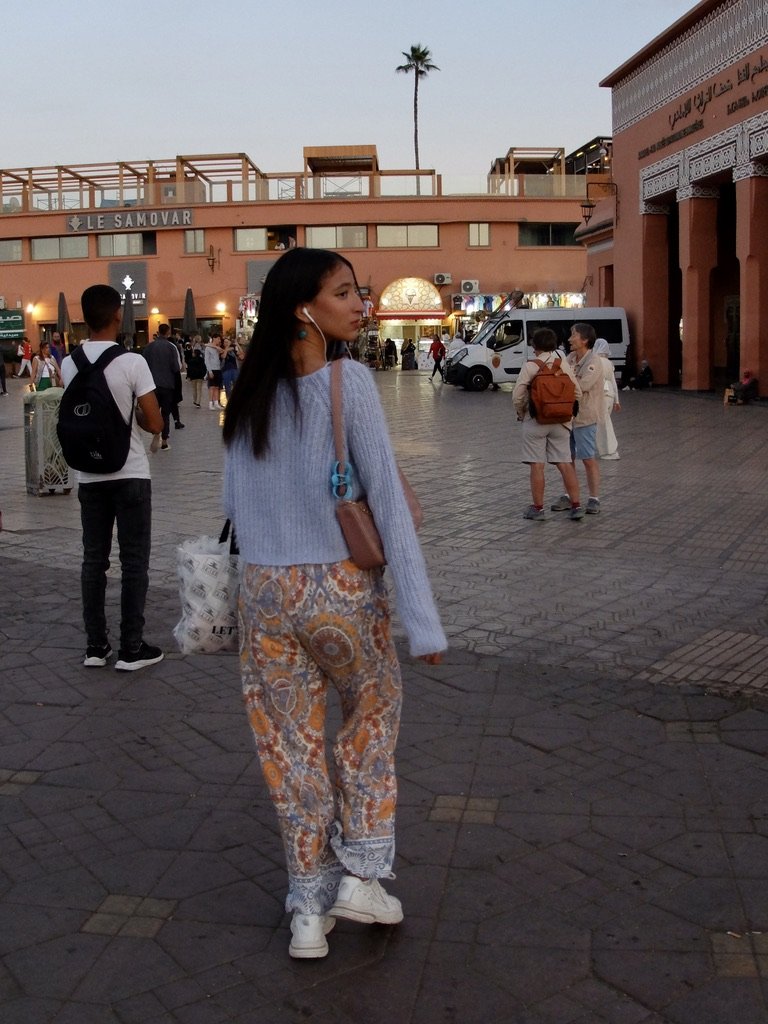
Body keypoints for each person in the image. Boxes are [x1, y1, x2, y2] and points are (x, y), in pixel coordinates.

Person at [222, 247, 446, 960]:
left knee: (289, 749)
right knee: (371, 723)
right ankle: (361, 878)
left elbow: (233, 504)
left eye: (359, 291)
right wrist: (422, 620)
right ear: (303, 308)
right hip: (338, 589)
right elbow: (388, 504)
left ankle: (307, 909)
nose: (360, 303)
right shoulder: (349, 381)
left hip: (264, 592)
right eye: (344, 292)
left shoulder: (246, 393)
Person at [60, 284, 164, 671]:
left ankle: (95, 646)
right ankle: (131, 649)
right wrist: (136, 416)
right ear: (118, 315)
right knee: (134, 562)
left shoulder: (69, 363)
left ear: (84, 318)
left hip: (89, 475)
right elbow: (154, 422)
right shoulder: (132, 362)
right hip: (130, 472)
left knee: (93, 561)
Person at [513, 328, 584, 521]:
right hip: (561, 421)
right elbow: (577, 392)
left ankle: (538, 509)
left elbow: (517, 396)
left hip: (536, 420)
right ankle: (576, 505)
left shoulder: (530, 366)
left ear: (534, 345)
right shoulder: (563, 365)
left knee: (537, 465)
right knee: (565, 463)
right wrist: (567, 411)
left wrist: (522, 413)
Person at [551, 323, 604, 516]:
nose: (569, 339)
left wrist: (563, 382)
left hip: (585, 418)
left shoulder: (594, 361)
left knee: (587, 458)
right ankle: (569, 496)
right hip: (567, 417)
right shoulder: (570, 358)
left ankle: (594, 498)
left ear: (585, 340)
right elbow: (557, 378)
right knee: (567, 458)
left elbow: (582, 386)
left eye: (574, 335)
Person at [142, 323, 182, 451]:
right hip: (167, 385)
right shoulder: (171, 347)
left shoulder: (149, 347)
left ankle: (156, 432)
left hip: (151, 385)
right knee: (165, 413)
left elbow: (143, 364)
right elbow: (176, 367)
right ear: (168, 332)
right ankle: (164, 441)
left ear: (158, 332)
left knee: (154, 411)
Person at [593, 338, 620, 460]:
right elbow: (613, 382)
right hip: (610, 394)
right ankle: (606, 449)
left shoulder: (595, 361)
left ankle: (609, 450)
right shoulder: (609, 363)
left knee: (603, 424)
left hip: (601, 394)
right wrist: (617, 401)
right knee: (605, 422)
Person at [204, 333, 223, 409]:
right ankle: (210, 403)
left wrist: (215, 346)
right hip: (212, 369)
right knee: (211, 387)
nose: (219, 340)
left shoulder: (218, 347)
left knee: (217, 387)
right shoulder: (208, 348)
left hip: (218, 369)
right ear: (214, 338)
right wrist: (210, 371)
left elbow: (222, 351)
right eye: (218, 338)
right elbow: (206, 360)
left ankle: (216, 403)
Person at [186, 342, 207, 407]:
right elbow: (204, 368)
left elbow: (189, 369)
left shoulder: (191, 360)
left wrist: (188, 376)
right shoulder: (201, 360)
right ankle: (198, 402)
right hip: (200, 376)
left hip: (193, 377)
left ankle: (195, 401)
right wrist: (203, 374)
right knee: (199, 390)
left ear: (194, 354)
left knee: (194, 389)